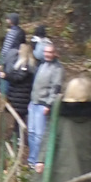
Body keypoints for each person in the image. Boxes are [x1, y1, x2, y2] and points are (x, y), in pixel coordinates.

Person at [28, 41, 65, 170]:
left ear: (54, 53)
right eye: (45, 52)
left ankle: (38, 160)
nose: (47, 54)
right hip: (34, 102)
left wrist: (48, 105)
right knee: (31, 132)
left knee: (39, 135)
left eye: (50, 52)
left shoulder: (57, 68)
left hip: (43, 105)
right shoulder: (42, 64)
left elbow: (56, 89)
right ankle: (31, 159)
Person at [3, 42, 36, 151]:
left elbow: (19, 78)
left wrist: (6, 76)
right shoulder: (23, 64)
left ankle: (20, 139)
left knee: (20, 117)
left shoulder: (26, 66)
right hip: (18, 95)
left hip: (21, 96)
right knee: (18, 118)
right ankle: (17, 137)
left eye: (21, 50)